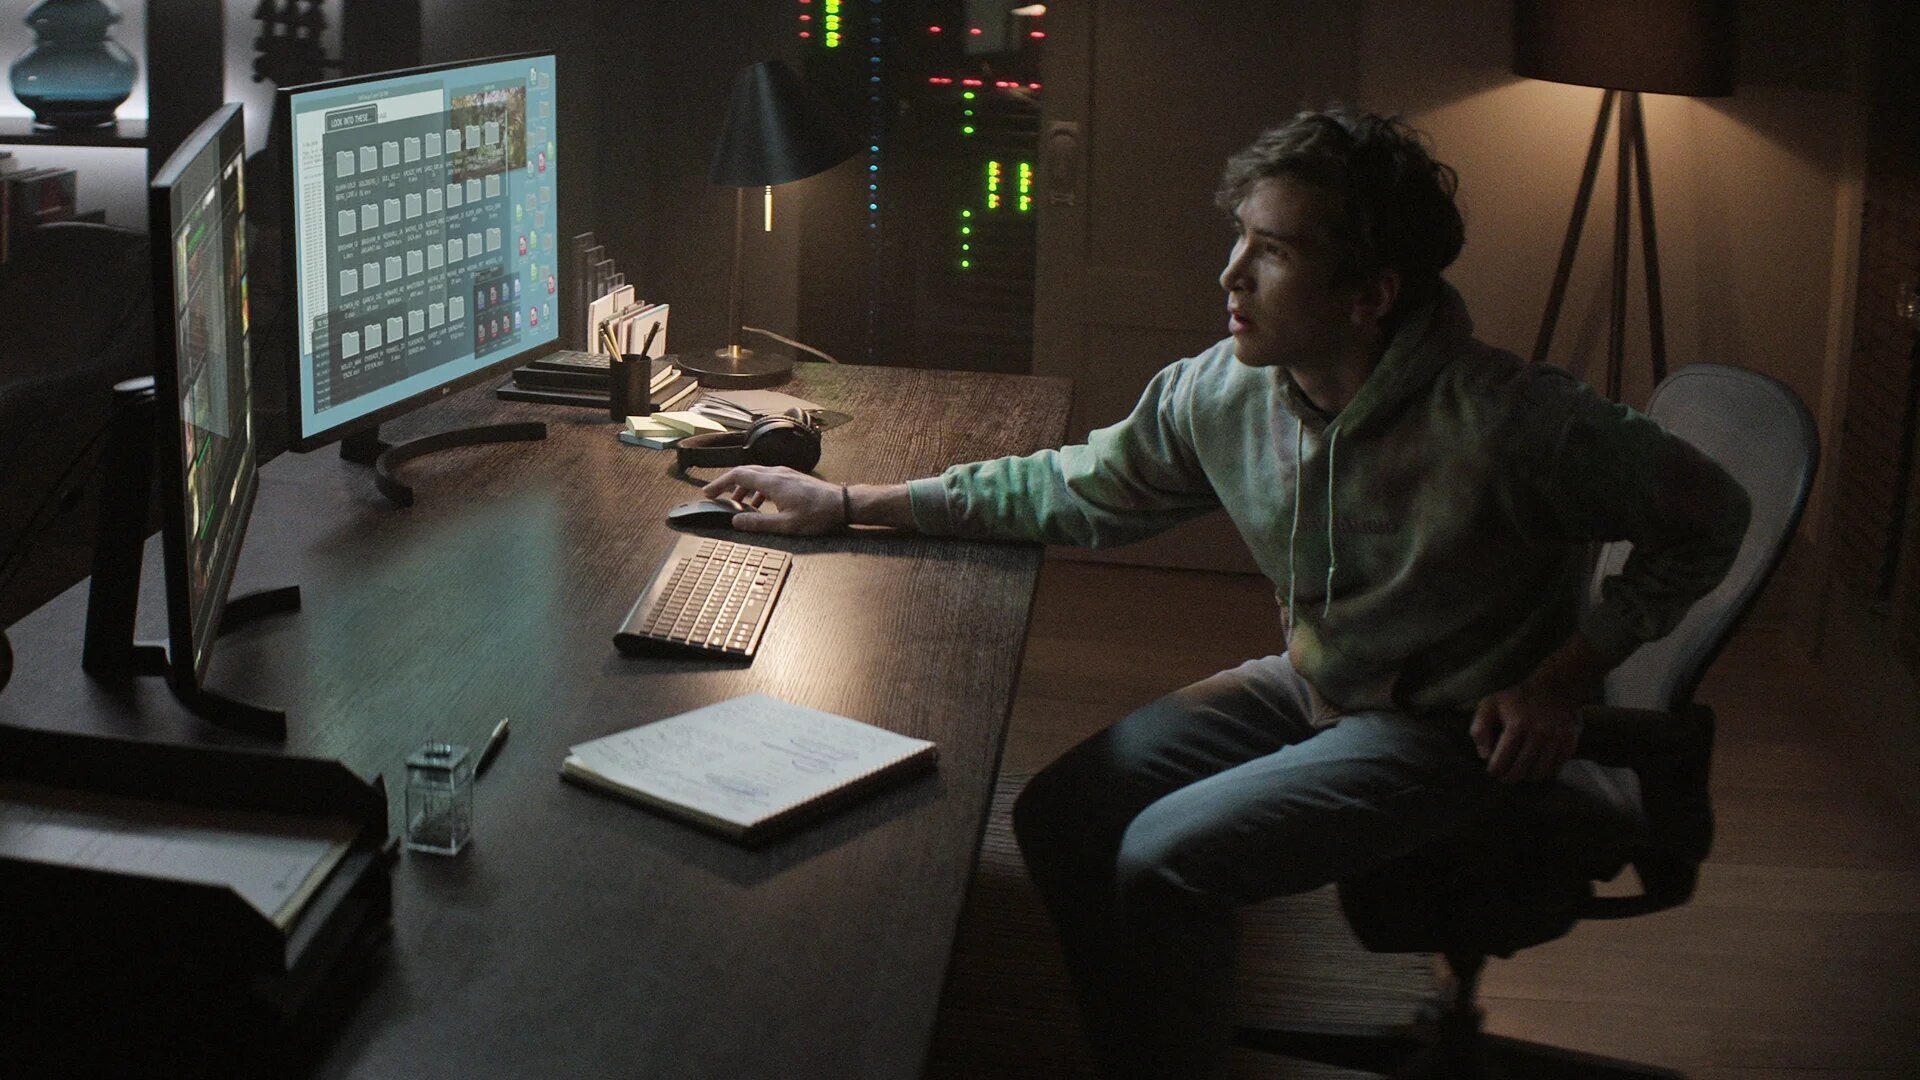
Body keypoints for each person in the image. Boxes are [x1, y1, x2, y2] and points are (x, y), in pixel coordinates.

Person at [699, 108, 1750, 1078]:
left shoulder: (1515, 423)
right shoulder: (1226, 389)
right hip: (1316, 681)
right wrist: (848, 502)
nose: (1231, 273)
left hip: (1449, 727)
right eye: (1241, 237)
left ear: (1370, 296)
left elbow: (1714, 515)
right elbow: (1073, 488)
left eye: (1273, 251)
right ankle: (1149, 1050)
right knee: (1063, 819)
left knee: (1167, 860)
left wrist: (1567, 675)